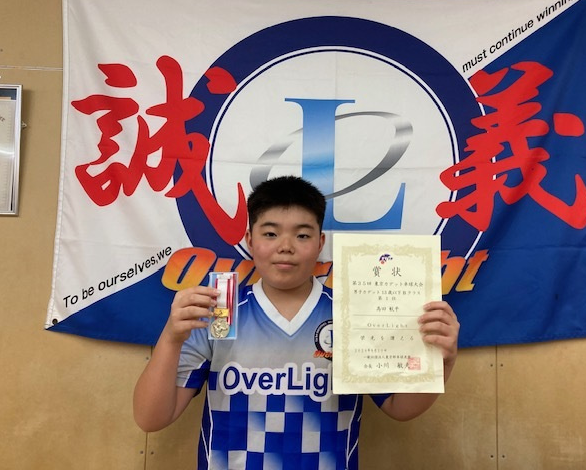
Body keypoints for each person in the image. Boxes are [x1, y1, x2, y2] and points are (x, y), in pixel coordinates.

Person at [133, 175, 459, 470]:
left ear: (320, 243)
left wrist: (442, 360)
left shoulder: (351, 314)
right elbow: (151, 418)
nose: (285, 247)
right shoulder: (221, 310)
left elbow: (399, 408)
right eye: (270, 233)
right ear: (250, 240)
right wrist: (171, 337)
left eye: (302, 235)